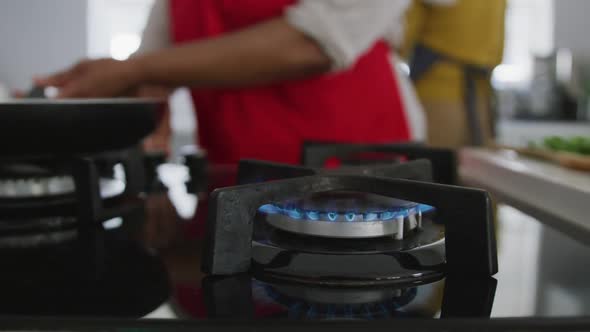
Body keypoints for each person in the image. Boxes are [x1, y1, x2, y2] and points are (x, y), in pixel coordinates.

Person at [36, 0, 420, 165]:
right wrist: (138, 90)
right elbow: (155, 60)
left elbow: (313, 43)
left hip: (355, 174)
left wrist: (134, 72)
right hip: (231, 177)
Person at [400, 0, 507, 148]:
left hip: (435, 96)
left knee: (434, 166)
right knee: (477, 167)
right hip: (480, 99)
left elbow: (400, 39)